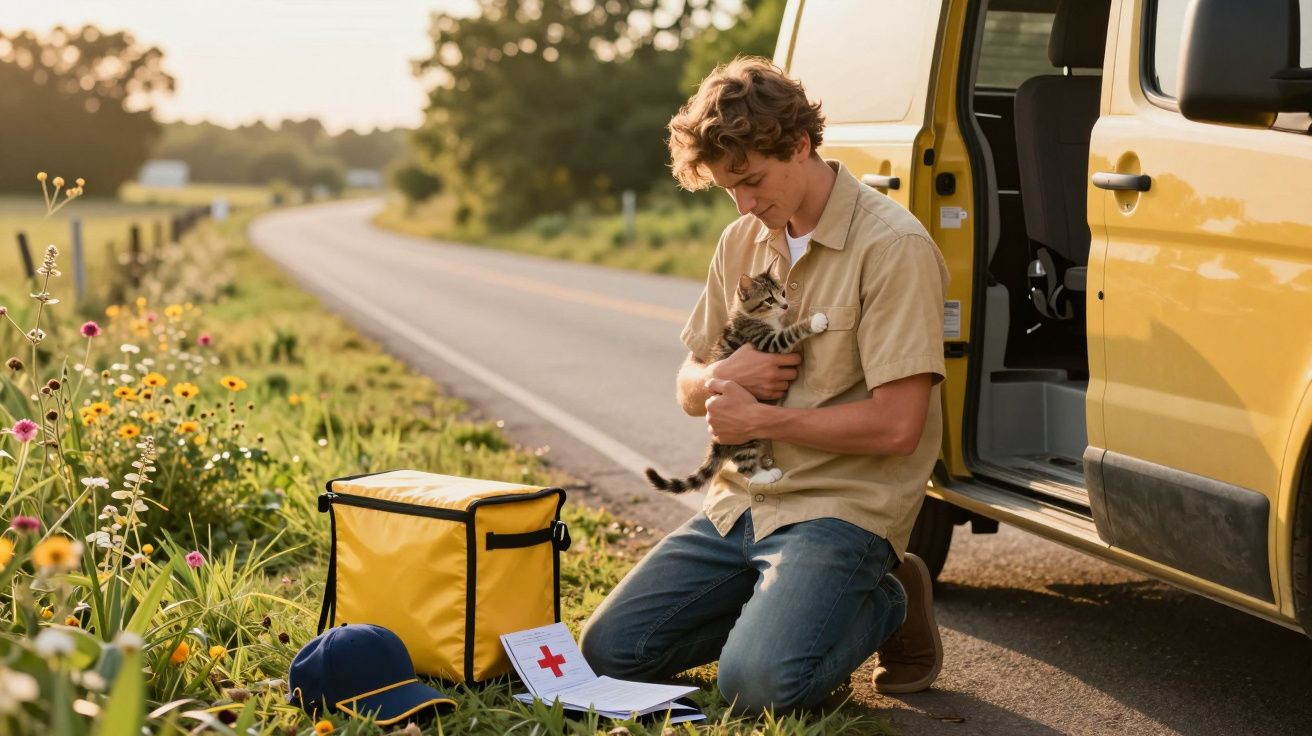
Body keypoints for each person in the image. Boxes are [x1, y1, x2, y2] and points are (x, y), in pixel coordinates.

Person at [579, 56, 948, 713]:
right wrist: (721, 375)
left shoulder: (894, 247)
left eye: (752, 181)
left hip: (842, 508)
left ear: (800, 145)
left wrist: (766, 422)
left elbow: (899, 426)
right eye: (730, 189)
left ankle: (886, 599)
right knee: (606, 656)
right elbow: (689, 383)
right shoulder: (742, 240)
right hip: (738, 504)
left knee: (757, 688)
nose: (745, 205)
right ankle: (784, 610)